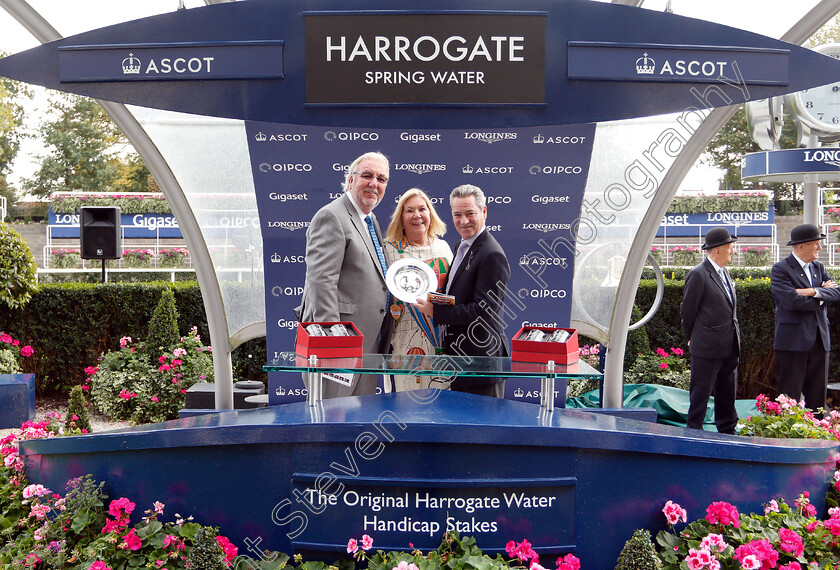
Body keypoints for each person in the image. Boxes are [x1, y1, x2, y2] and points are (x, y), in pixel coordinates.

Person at [295, 151, 393, 398]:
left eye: (381, 179)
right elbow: (321, 282)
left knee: (357, 422)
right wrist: (334, 344)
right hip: (339, 346)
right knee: (332, 418)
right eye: (367, 176)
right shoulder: (332, 216)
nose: (374, 184)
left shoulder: (370, 220)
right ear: (350, 180)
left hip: (367, 343)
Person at [415, 184, 511, 398]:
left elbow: (483, 312)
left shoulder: (491, 254)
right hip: (461, 359)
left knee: (484, 428)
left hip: (482, 362)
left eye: (470, 213)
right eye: (457, 214)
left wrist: (437, 313)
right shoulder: (462, 244)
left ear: (484, 212)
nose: (463, 221)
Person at [383, 188, 453, 392]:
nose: (417, 215)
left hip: (439, 337)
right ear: (401, 218)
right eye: (409, 210)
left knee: (441, 400)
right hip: (402, 338)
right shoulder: (388, 249)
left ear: (430, 214)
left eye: (422, 209)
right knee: (405, 404)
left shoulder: (444, 248)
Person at [771, 223, 840, 411]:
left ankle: (818, 435)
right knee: (788, 397)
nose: (820, 248)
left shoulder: (818, 267)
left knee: (818, 397)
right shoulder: (781, 269)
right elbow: (791, 301)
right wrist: (821, 296)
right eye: (816, 243)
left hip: (820, 341)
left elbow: (837, 293)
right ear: (801, 246)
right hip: (793, 342)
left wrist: (811, 291)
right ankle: (785, 436)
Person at [679, 227, 740, 434]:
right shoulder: (698, 274)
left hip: (729, 344)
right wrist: (692, 338)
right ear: (718, 250)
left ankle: (727, 428)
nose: (733, 251)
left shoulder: (725, 272)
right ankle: (694, 431)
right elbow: (688, 312)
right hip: (706, 345)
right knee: (701, 392)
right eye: (730, 247)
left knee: (726, 390)